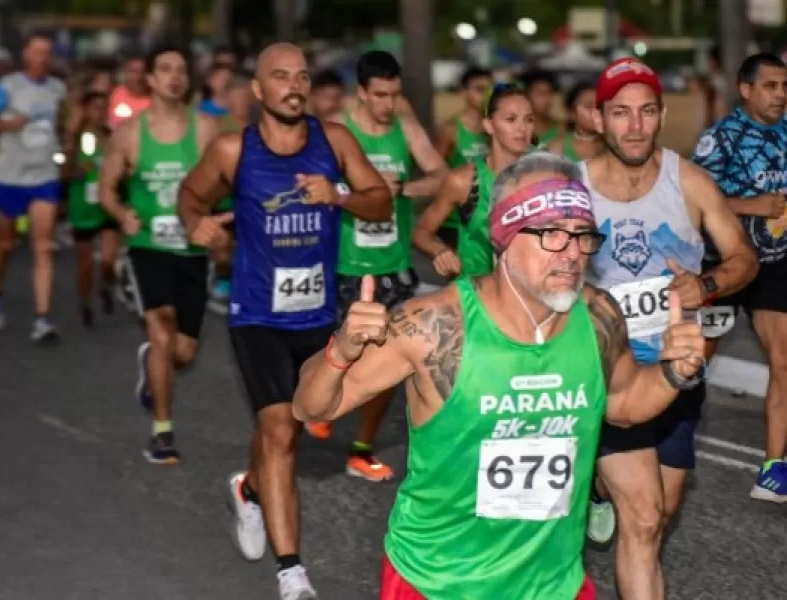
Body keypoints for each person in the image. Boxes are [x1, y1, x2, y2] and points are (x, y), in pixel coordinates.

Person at [293, 151, 706, 600]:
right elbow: (312, 406)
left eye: (583, 236)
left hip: (554, 585)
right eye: (552, 234)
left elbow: (625, 404)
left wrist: (672, 373)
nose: (572, 254)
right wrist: (342, 350)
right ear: (505, 237)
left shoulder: (598, 315)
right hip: (438, 583)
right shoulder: (433, 327)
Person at [176, 42, 392, 600]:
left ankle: (249, 488)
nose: (294, 86)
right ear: (259, 89)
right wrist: (196, 225)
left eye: (300, 77)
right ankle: (291, 571)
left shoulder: (334, 141)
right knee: (278, 429)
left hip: (318, 314)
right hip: (257, 313)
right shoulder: (233, 149)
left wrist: (338, 194)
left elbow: (380, 202)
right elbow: (191, 195)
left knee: (291, 427)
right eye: (280, 76)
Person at [581, 58, 758, 600]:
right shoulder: (575, 188)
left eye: (646, 112)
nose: (634, 125)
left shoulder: (690, 182)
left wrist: (703, 287)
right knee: (643, 517)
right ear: (599, 118)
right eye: (621, 113)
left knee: (660, 515)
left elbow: (743, 258)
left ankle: (597, 489)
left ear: (660, 117)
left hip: (676, 368)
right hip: (607, 374)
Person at [305, 50, 448, 482]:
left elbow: (441, 176)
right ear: (361, 93)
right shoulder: (339, 130)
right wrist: (357, 190)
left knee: (392, 358)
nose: (389, 104)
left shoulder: (404, 124)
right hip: (346, 262)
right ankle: (323, 401)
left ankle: (360, 449)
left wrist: (402, 188)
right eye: (380, 95)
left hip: (394, 261)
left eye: (395, 94)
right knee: (345, 348)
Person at [99, 45, 220, 464]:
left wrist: (216, 218)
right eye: (165, 69)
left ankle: (153, 367)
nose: (174, 77)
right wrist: (122, 213)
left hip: (191, 251)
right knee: (162, 331)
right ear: (149, 79)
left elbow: (224, 182)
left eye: (181, 70)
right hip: (147, 249)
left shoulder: (205, 130)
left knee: (182, 352)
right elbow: (106, 189)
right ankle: (162, 433)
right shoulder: (130, 133)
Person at [692, 53, 787, 502]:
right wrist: (754, 206)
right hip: (723, 263)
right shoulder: (721, 139)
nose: (781, 94)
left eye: (785, 86)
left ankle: (774, 467)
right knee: (695, 362)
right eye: (771, 86)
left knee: (784, 358)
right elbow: (696, 201)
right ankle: (667, 435)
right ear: (745, 89)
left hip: (775, 263)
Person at [0, 35, 66, 340]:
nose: (43, 58)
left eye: (47, 52)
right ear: (26, 55)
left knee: (43, 246)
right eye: (37, 52)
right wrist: (10, 125)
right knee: (7, 243)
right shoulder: (8, 87)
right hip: (9, 177)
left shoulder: (57, 89)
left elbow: (62, 124)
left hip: (43, 176)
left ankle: (43, 319)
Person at [413, 83, 534, 278]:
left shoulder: (544, 178)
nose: (522, 128)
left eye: (528, 120)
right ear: (488, 125)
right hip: (475, 296)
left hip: (525, 294)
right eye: (511, 119)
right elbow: (421, 232)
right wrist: (440, 251)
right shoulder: (464, 181)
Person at [64, 91, 119, 326]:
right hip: (83, 208)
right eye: (94, 107)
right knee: (85, 263)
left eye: (103, 107)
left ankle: (106, 286)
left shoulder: (112, 136)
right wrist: (75, 165)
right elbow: (65, 172)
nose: (99, 112)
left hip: (107, 205)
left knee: (108, 260)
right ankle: (85, 302)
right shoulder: (75, 139)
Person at [208, 71, 254, 314]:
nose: (242, 102)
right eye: (237, 97)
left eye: (246, 97)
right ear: (227, 99)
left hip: (254, 201)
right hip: (224, 200)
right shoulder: (216, 128)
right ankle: (222, 276)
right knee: (223, 249)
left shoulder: (262, 127)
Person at [433, 66, 493, 249]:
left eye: (489, 90)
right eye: (479, 89)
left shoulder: (499, 128)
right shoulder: (451, 129)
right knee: (458, 274)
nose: (485, 95)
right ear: (464, 92)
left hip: (489, 217)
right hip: (456, 221)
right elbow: (436, 172)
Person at [548, 81, 604, 162]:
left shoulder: (614, 147)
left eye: (599, 106)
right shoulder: (557, 149)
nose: (596, 112)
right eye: (589, 106)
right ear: (572, 113)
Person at [519, 68, 561, 147]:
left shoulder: (561, 130)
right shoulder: (518, 131)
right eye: (541, 94)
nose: (547, 99)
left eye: (550, 93)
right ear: (526, 97)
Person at [108, 56, 150, 129]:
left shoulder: (158, 99)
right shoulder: (116, 94)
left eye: (142, 71)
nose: (138, 77)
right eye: (134, 72)